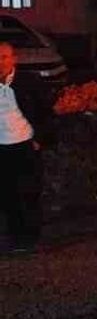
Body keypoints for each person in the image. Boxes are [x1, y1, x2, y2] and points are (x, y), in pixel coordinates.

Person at [0, 41, 53, 254]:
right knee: (7, 195)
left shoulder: (29, 82)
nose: (0, 62)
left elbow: (46, 112)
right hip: (2, 147)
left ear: (13, 59)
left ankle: (31, 237)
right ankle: (16, 238)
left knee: (29, 192)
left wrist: (40, 138)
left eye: (4, 57)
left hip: (25, 144)